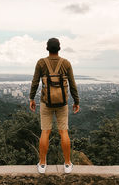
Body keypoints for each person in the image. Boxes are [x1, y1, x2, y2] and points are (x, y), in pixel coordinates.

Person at [29, 38, 80, 174]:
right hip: (62, 103)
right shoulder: (66, 63)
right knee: (64, 132)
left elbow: (35, 82)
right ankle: (68, 164)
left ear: (47, 48)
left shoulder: (41, 63)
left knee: (45, 131)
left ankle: (42, 163)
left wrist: (31, 98)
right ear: (59, 48)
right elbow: (73, 84)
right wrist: (76, 101)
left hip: (46, 102)